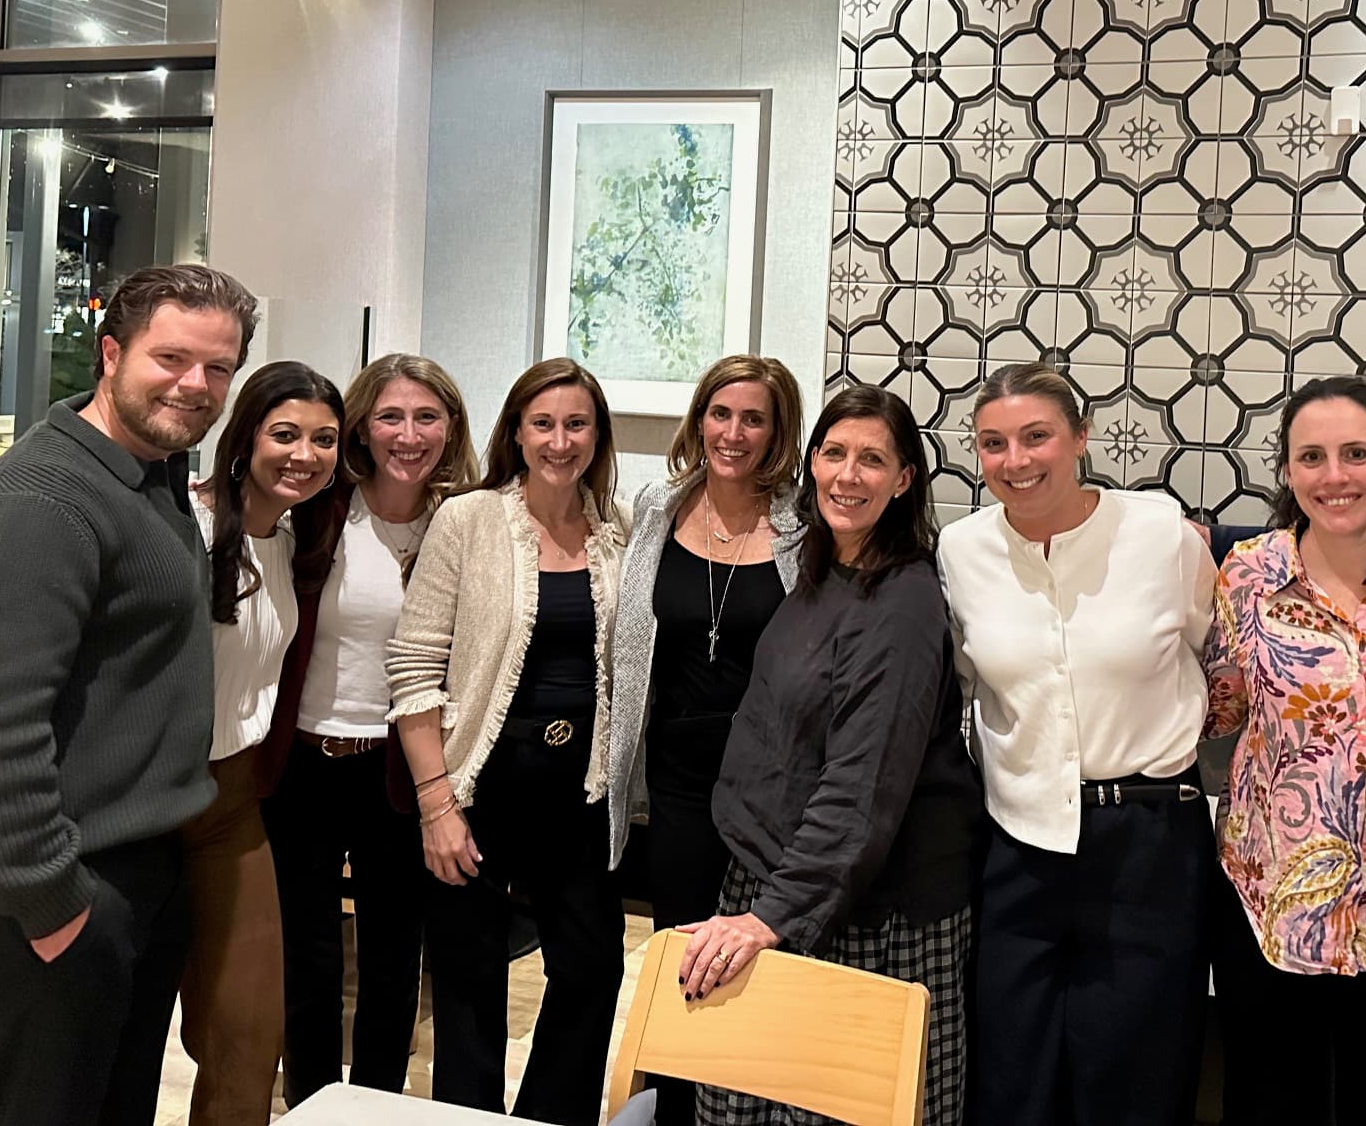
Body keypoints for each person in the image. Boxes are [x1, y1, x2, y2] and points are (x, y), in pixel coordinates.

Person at [0, 263, 257, 1126]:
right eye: (171, 358)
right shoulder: (42, 499)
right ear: (109, 353)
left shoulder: (148, 477)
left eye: (218, 368)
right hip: (48, 895)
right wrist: (57, 906)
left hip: (128, 869)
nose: (196, 384)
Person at [679, 384, 983, 1126]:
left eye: (873, 460)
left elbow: (863, 785)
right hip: (778, 884)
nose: (849, 475)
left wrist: (769, 917)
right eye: (835, 453)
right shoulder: (821, 568)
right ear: (812, 461)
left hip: (866, 913)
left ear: (906, 478)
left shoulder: (904, 603)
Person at [935, 361, 1217, 1126]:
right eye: (993, 443)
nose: (1016, 460)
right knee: (1009, 1064)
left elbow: (1214, 646)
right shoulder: (960, 552)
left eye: (1036, 437)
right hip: (1018, 840)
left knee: (1136, 1069)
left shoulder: (1161, 532)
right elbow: (962, 684)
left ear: (1081, 437)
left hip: (1150, 840)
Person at [1202, 376, 1366, 1125]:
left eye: (1356, 453)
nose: (1334, 475)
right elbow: (1218, 708)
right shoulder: (1250, 573)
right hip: (1273, 906)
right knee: (1264, 1106)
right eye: (1310, 457)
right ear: (1287, 472)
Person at [388, 357, 632, 1124]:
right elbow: (414, 666)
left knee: (591, 972)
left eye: (577, 424)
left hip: (580, 796)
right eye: (543, 424)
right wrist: (437, 804)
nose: (560, 441)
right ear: (517, 434)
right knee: (468, 986)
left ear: (598, 434)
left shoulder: (614, 530)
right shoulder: (468, 520)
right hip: (482, 789)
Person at [261, 353, 478, 1107]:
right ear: (361, 426)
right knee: (306, 957)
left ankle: (377, 1105)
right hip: (303, 764)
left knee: (394, 959)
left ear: (451, 428)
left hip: (401, 769)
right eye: (390, 416)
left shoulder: (468, 523)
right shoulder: (318, 508)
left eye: (426, 417)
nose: (408, 435)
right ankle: (315, 1105)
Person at [607, 355, 805, 1126]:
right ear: (699, 421)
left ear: (777, 430)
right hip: (679, 775)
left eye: (753, 418)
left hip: (771, 779)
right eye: (720, 414)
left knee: (762, 959)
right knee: (681, 952)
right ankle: (677, 1108)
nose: (733, 433)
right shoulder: (659, 506)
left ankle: (750, 1107)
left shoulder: (805, 522)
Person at [182, 360, 345, 1126]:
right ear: (246, 436)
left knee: (249, 1029)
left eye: (323, 439)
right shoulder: (180, 522)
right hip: (146, 799)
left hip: (234, 800)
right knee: (119, 1014)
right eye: (286, 434)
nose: (304, 455)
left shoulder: (293, 541)